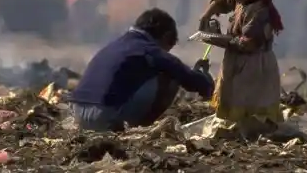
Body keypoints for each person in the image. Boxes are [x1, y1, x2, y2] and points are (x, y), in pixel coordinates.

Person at [69, 8, 214, 132]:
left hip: (78, 115)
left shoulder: (115, 46)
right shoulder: (149, 50)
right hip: (104, 117)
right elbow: (189, 78)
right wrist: (205, 78)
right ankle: (136, 129)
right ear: (166, 37)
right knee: (169, 76)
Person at [198, 0, 283, 134]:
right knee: (233, 99)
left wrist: (214, 38)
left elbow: (246, 44)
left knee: (249, 106)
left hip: (254, 66)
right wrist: (207, 14)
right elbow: (224, 1)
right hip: (236, 62)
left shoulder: (261, 11)